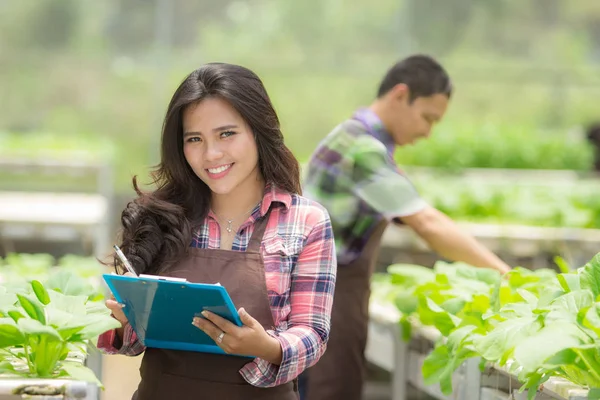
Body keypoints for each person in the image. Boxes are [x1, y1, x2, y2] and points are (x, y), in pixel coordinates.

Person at [97, 62, 337, 400]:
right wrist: (124, 323)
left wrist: (267, 347)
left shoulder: (306, 221)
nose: (211, 154)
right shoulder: (159, 218)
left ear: (258, 130)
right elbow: (130, 342)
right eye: (195, 139)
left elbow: (313, 333)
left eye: (227, 134)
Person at [300, 54, 512, 400]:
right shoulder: (362, 148)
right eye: (427, 118)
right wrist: (505, 273)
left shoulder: (355, 139)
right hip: (331, 296)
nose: (427, 132)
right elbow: (426, 223)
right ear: (400, 95)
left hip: (327, 293)